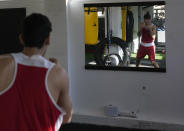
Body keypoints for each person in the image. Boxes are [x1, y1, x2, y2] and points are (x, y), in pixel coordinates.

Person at [0, 13, 72, 131]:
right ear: (48, 39)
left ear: (21, 38)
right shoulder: (59, 73)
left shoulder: (3, 65)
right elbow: (67, 117)